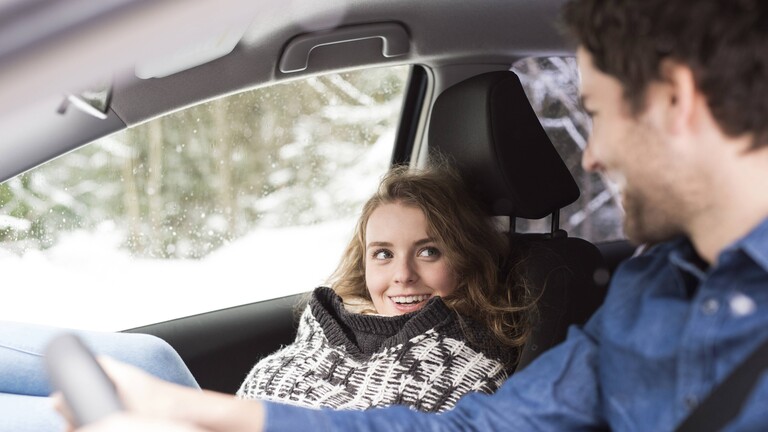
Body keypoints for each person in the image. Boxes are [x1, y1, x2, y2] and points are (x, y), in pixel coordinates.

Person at [65, 0, 768, 430]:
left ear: (674, 100)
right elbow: (477, 430)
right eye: (382, 253)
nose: (591, 158)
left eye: (598, 117)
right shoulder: (652, 292)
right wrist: (211, 416)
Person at [234, 164, 533, 411]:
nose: (403, 275)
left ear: (466, 259)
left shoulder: (469, 379)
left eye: (428, 252)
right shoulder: (320, 336)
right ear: (363, 263)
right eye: (384, 254)